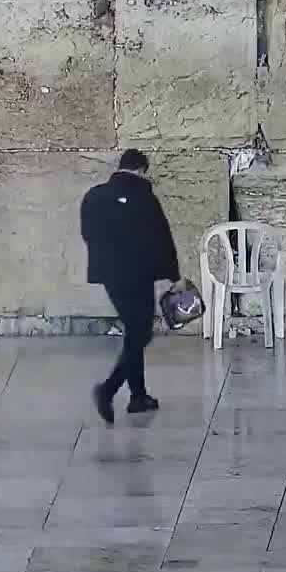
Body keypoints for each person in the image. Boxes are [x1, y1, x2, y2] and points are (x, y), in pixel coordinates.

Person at [81, 149, 180, 424]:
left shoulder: (94, 196)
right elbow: (161, 237)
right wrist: (173, 275)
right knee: (141, 334)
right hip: (139, 274)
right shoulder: (145, 198)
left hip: (111, 276)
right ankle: (108, 389)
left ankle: (138, 396)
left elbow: (88, 234)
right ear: (142, 169)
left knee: (134, 333)